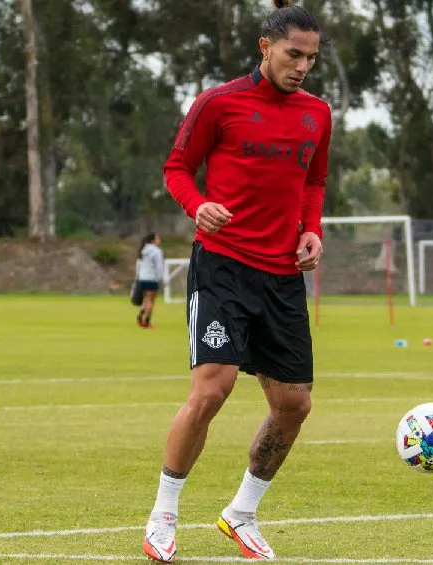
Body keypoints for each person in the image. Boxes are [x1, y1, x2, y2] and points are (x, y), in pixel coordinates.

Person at [141, 1, 330, 562]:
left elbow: (313, 180)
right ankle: (163, 516)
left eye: (311, 59)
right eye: (293, 54)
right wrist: (197, 205)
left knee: (294, 404)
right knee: (212, 388)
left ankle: (241, 512)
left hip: (281, 275)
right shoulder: (218, 103)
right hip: (222, 265)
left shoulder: (317, 113)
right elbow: (176, 168)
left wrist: (311, 231)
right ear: (264, 47)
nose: (301, 66)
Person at [135, 232, 165, 328]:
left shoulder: (143, 250)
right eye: (157, 238)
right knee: (151, 300)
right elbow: (159, 266)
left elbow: (138, 264)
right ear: (153, 240)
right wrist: (161, 278)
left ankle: (140, 315)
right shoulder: (156, 251)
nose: (159, 240)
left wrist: (138, 276)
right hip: (152, 278)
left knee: (146, 299)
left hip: (142, 278)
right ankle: (146, 322)